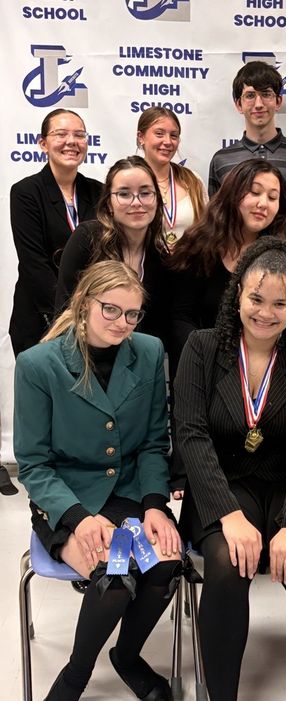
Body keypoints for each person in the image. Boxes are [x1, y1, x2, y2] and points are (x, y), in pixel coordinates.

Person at [174, 236, 286, 701]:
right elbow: (190, 434)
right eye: (256, 298)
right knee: (227, 565)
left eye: (280, 303)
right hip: (225, 483)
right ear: (238, 296)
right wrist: (228, 516)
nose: (265, 312)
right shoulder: (202, 348)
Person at [14, 260, 183, 701]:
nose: (122, 323)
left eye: (132, 314)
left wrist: (153, 504)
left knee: (165, 564)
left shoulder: (148, 352)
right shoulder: (38, 365)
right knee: (114, 576)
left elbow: (151, 443)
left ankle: (126, 657)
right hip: (67, 497)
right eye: (110, 310)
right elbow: (33, 463)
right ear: (84, 303)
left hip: (128, 493)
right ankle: (76, 675)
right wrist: (77, 518)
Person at [168, 158, 286, 368]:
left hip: (266, 368)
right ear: (233, 192)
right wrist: (200, 360)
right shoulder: (198, 244)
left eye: (272, 197)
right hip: (205, 364)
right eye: (255, 192)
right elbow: (181, 316)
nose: (263, 203)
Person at [9, 108, 102, 356]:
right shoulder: (26, 192)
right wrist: (71, 315)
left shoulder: (99, 192)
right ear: (43, 143)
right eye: (61, 134)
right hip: (41, 318)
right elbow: (34, 264)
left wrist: (92, 314)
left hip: (93, 320)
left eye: (79, 135)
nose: (71, 141)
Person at [55, 155, 169, 341]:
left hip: (133, 361)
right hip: (84, 355)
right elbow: (65, 312)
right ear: (109, 203)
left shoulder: (161, 258)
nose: (136, 202)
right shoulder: (87, 239)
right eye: (124, 194)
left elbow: (158, 328)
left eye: (146, 193)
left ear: (157, 199)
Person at [208, 60, 286, 196]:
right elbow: (217, 216)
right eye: (250, 95)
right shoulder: (221, 160)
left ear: (278, 101)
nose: (259, 104)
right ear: (238, 104)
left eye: (266, 94)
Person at [137, 106, 207, 248]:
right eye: (159, 134)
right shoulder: (128, 181)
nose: (168, 141)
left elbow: (207, 232)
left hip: (187, 266)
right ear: (141, 137)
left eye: (174, 135)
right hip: (143, 268)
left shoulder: (193, 181)